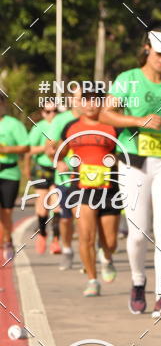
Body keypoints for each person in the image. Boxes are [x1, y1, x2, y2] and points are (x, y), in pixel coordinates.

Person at [99, 26, 161, 317]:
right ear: (147, 49)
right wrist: (139, 120)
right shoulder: (128, 79)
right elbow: (105, 114)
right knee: (137, 234)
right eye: (160, 54)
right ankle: (138, 281)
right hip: (133, 160)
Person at [58, 94, 120, 296]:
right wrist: (58, 160)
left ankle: (107, 257)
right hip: (81, 187)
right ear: (79, 103)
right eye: (86, 100)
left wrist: (117, 161)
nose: (90, 105)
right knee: (86, 236)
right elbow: (60, 150)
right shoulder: (71, 127)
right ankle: (92, 280)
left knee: (110, 242)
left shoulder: (113, 126)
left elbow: (125, 151)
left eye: (95, 100)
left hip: (109, 188)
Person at [46, 91, 82, 270]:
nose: (80, 102)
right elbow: (49, 147)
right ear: (70, 100)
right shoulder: (61, 120)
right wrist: (59, 160)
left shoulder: (98, 118)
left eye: (84, 98)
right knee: (66, 219)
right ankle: (67, 249)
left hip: (92, 178)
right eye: (77, 98)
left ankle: (98, 250)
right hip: (66, 179)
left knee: (88, 217)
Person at [27, 102, 61, 255]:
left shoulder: (62, 124)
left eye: (54, 111)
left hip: (58, 168)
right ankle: (42, 233)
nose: (52, 114)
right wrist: (45, 148)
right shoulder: (38, 127)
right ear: (43, 113)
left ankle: (56, 239)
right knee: (42, 204)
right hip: (42, 168)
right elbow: (29, 149)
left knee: (57, 204)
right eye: (48, 111)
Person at [0, 96, 30, 263]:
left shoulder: (13, 124)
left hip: (9, 173)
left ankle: (7, 240)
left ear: (3, 104)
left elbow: (25, 146)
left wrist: (6, 148)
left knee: (6, 212)